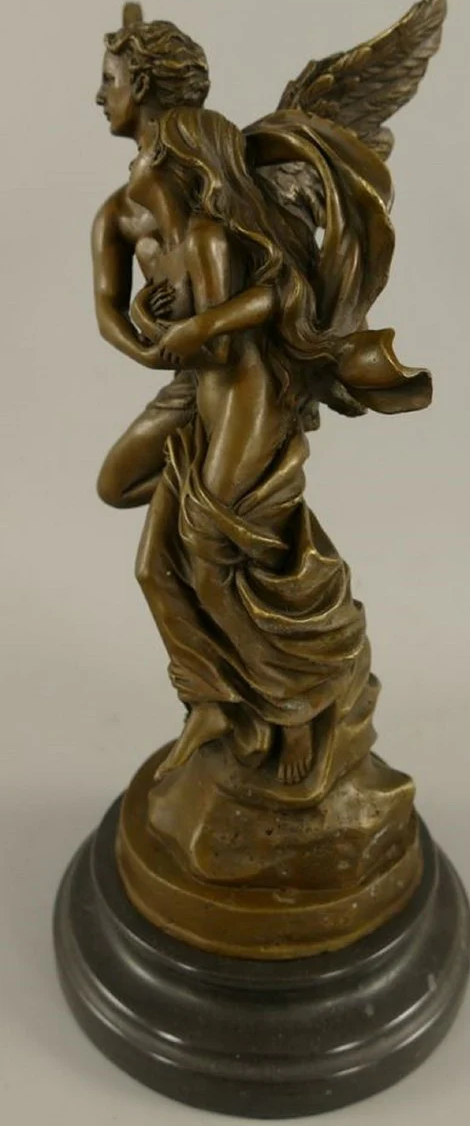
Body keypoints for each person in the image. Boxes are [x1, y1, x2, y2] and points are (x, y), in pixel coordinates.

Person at [123, 106, 432, 785]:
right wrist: (153, 316)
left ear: (182, 165)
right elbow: (189, 336)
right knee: (165, 562)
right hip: (211, 412)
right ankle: (217, 698)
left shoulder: (211, 235)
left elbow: (265, 306)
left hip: (247, 406)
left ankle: (296, 704)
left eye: (152, 154)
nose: (137, 162)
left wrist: (197, 326)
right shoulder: (177, 241)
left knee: (214, 559)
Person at [93, 13, 210, 508]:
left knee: (118, 487)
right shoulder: (116, 215)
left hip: (239, 373)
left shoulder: (220, 181)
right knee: (115, 486)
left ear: (140, 85)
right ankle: (210, 505)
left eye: (109, 80)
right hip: (189, 377)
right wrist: (146, 350)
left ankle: (216, 506)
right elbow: (107, 310)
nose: (99, 97)